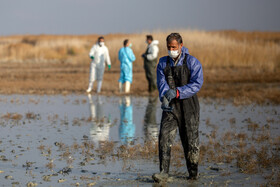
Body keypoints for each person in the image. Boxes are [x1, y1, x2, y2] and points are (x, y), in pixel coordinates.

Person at [153, 33, 203, 182]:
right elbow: (162, 83)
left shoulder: (193, 62)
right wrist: (165, 97)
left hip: (189, 107)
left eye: (174, 47)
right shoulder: (163, 63)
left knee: (190, 141)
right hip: (171, 107)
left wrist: (178, 92)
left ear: (181, 46)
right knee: (164, 137)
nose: (171, 50)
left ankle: (193, 174)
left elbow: (197, 84)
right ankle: (163, 172)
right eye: (169, 47)